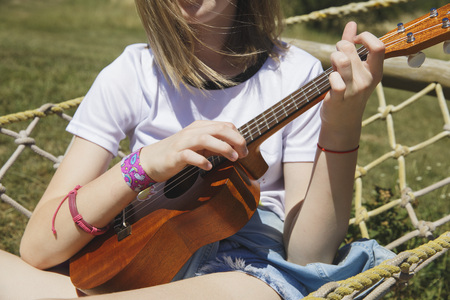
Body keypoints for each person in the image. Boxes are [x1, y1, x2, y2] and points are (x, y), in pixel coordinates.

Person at [0, 0, 395, 299]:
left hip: (240, 273)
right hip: (131, 261)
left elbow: (309, 255)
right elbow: (37, 248)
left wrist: (343, 124)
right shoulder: (132, 73)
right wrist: (145, 165)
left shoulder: (298, 75)